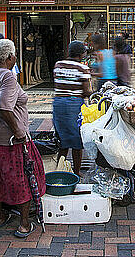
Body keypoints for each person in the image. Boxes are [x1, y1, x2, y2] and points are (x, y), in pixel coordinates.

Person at [0, 39, 45, 238]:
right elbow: (5, 107)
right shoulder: (8, 77)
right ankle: (24, 223)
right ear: (10, 57)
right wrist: (18, 131)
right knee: (21, 177)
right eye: (14, 54)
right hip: (9, 138)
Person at [53, 41, 92, 176]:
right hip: (74, 105)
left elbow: (59, 84)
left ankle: (60, 170)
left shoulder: (58, 66)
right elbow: (86, 92)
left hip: (58, 105)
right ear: (81, 54)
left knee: (62, 139)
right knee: (77, 141)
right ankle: (75, 172)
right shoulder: (83, 69)